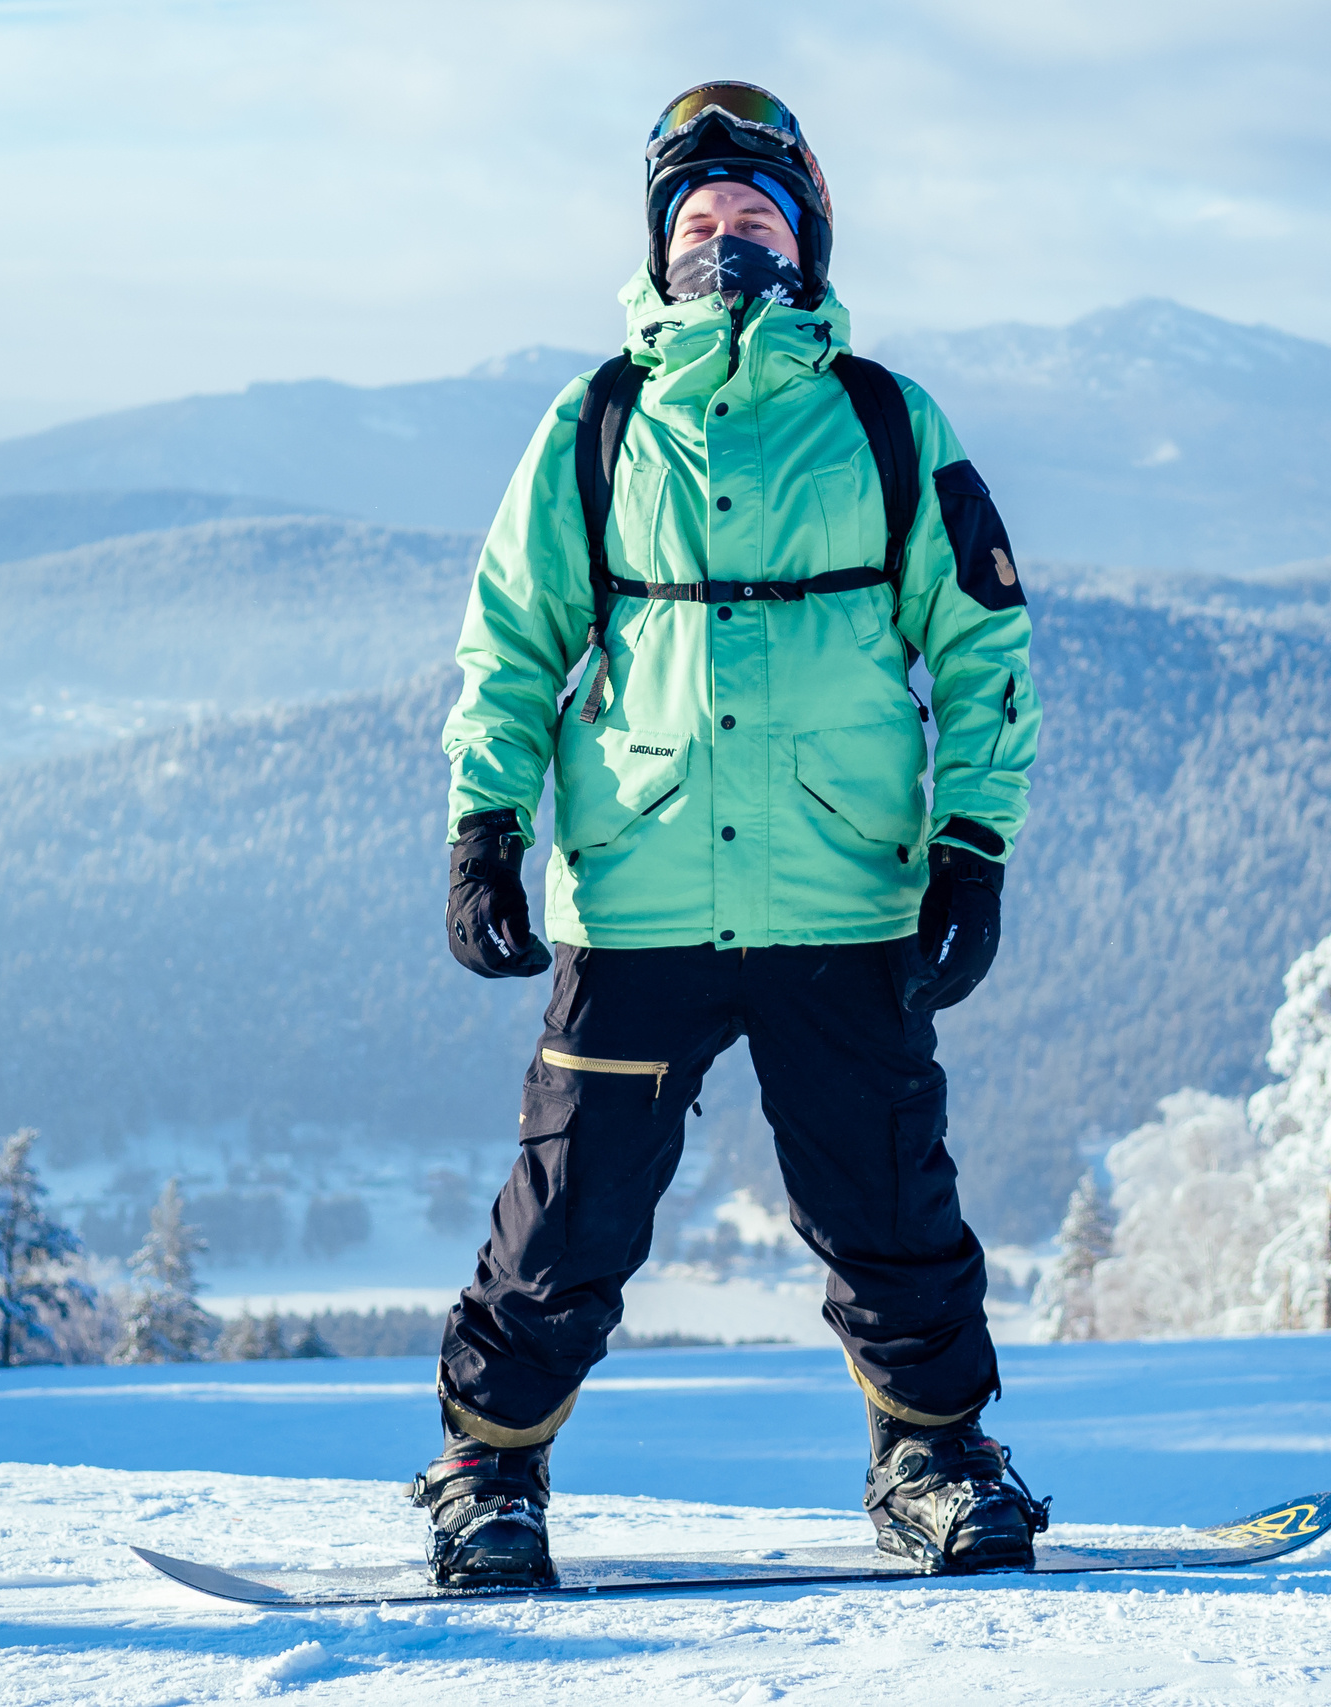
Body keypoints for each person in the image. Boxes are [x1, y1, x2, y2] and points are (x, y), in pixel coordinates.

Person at [421, 81, 1043, 1590]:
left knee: (887, 1197)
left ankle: (934, 1460)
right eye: (695, 224)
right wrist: (485, 824)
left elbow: (980, 648)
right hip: (639, 887)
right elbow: (513, 639)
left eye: (751, 219)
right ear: (659, 247)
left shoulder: (889, 421)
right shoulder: (598, 424)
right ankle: (488, 1476)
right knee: (572, 1205)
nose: (721, 245)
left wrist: (974, 845)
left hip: (844, 891)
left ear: (808, 238)